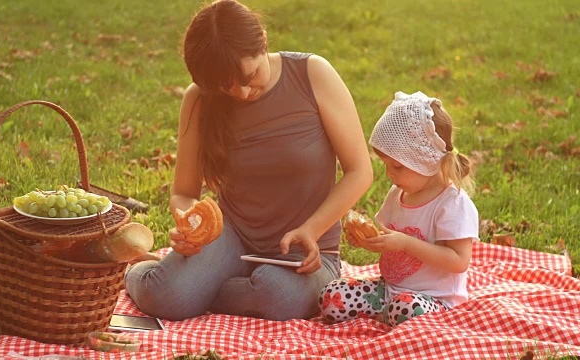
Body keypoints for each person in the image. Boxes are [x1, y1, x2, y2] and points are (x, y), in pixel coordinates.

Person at [124, 0, 373, 321]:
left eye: (250, 75)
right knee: (168, 298)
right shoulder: (200, 99)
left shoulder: (313, 75)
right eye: (226, 86)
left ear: (264, 41)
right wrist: (189, 225)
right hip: (232, 237)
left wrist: (312, 229)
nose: (241, 92)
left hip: (307, 249)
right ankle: (139, 271)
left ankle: (202, 288)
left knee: (278, 296)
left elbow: (360, 171)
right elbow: (184, 191)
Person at [319, 91, 479, 327]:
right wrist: (367, 240)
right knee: (332, 298)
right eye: (386, 165)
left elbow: (458, 261)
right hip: (388, 292)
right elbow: (387, 237)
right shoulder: (398, 193)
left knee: (406, 309)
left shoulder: (451, 202)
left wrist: (406, 244)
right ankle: (386, 317)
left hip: (435, 301)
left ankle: (394, 319)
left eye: (397, 167)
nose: (389, 174)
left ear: (426, 162)